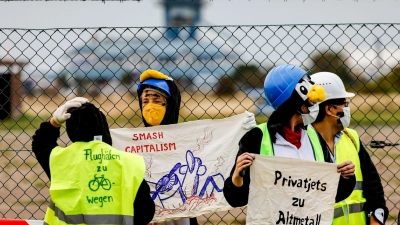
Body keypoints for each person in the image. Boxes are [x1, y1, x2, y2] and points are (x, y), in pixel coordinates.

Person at [223, 64, 356, 209]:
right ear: (295, 103)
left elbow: (332, 194)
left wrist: (346, 178)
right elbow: (236, 200)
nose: (315, 105)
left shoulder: (315, 137)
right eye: (310, 101)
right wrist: (237, 177)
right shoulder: (256, 139)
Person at [137, 69, 256, 225]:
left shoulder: (187, 140)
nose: (150, 107)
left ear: (171, 103)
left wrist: (242, 131)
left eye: (157, 100)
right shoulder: (133, 145)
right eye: (145, 102)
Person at [32, 97, 155, 225]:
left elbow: (40, 143)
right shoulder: (129, 163)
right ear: (103, 127)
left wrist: (55, 122)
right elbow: (145, 212)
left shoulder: (59, 159)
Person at [310, 72, 388, 225]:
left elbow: (373, 186)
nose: (346, 108)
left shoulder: (351, 137)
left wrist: (376, 220)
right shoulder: (303, 143)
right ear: (330, 109)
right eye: (344, 103)